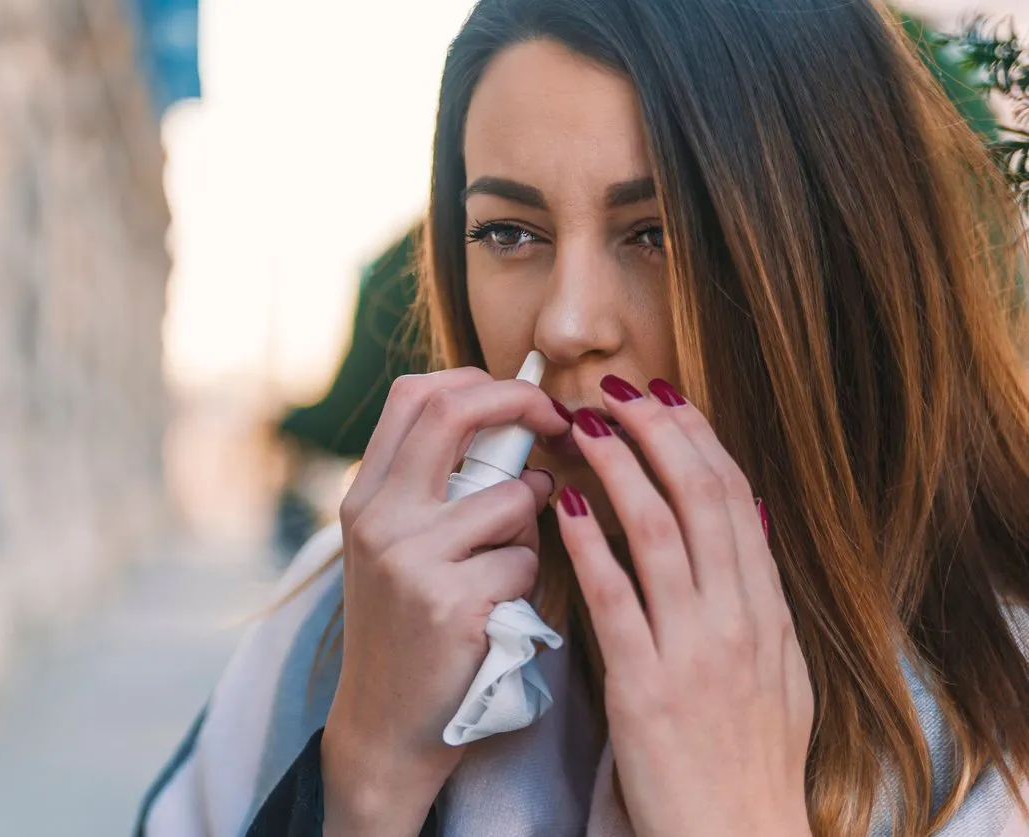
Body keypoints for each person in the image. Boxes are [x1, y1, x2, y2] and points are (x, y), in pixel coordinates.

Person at [136, 0, 1029, 834]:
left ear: (836, 255)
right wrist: (363, 774)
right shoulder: (359, 613)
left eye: (658, 233)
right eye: (510, 233)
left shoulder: (1002, 701)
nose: (566, 324)